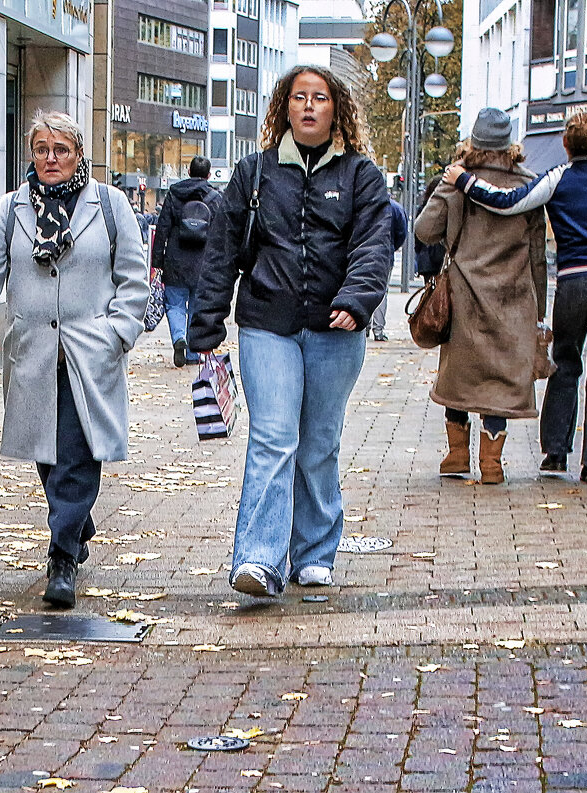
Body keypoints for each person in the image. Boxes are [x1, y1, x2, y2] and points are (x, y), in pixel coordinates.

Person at [188, 65, 392, 597]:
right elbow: (222, 251)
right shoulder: (254, 174)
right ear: (284, 107)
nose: (308, 106)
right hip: (267, 326)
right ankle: (258, 561)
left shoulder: (361, 176)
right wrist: (205, 324)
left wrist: (357, 300)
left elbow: (373, 246)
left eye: (319, 97)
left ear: (335, 109)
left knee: (318, 445)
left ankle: (315, 552)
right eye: (299, 97)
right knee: (273, 439)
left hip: (336, 329)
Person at [0, 110, 149, 609]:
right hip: (33, 352)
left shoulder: (109, 206)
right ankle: (77, 518)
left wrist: (117, 333)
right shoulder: (12, 209)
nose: (50, 158)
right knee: (48, 455)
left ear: (79, 154)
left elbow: (134, 276)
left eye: (61, 149)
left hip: (91, 349)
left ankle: (61, 556)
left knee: (76, 449)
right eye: (41, 149)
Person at [443, 110, 587, 484]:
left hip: (575, 284)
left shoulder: (558, 178)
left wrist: (465, 181)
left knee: (566, 363)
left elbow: (508, 201)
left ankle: (556, 454)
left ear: (566, 144)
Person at [414, 108, 547, 484]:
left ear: (473, 141)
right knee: (497, 378)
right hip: (513, 296)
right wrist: (541, 307)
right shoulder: (530, 185)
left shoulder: (458, 181)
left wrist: (448, 188)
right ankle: (492, 463)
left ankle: (457, 456)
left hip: (464, 293)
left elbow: (424, 230)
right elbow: (538, 253)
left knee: (459, 375)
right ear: (509, 145)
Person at [150, 156, 223, 366]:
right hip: (203, 263)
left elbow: (162, 228)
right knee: (196, 308)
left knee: (174, 304)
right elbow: (221, 234)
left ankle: (178, 338)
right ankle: (192, 353)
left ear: (188, 172)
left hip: (175, 260)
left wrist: (157, 261)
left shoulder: (174, 193)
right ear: (208, 175)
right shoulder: (215, 198)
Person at [368, 196, 407, 342]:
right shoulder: (395, 208)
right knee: (381, 291)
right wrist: (391, 247)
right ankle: (378, 330)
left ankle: (364, 325)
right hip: (385, 254)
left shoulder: (365, 203)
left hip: (363, 253)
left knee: (362, 288)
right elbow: (401, 232)